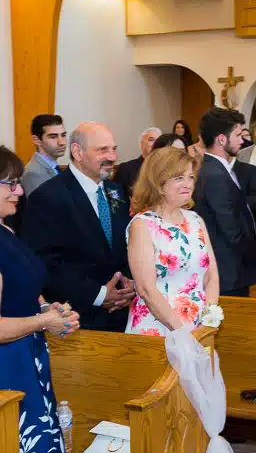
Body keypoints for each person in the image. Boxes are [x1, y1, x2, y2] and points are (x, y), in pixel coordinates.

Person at [0, 146, 79, 453]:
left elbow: (20, 292)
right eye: (10, 184)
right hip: (7, 366)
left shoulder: (5, 230)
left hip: (28, 356)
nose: (18, 191)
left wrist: (49, 308)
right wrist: (45, 320)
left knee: (43, 450)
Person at [24, 123, 136, 331]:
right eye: (103, 150)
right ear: (77, 152)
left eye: (114, 149)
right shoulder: (48, 196)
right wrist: (100, 294)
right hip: (79, 317)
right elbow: (46, 262)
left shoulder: (116, 191)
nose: (112, 157)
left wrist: (128, 284)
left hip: (122, 313)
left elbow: (123, 244)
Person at [125, 148, 219, 336]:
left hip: (199, 327)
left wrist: (209, 321)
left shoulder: (195, 220)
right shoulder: (143, 225)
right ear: (158, 184)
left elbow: (211, 277)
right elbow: (146, 289)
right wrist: (183, 332)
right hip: (160, 326)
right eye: (178, 178)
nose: (188, 184)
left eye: (190, 177)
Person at [192, 108, 256, 297]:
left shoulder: (216, 169)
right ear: (222, 139)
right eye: (238, 135)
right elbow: (232, 229)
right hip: (228, 272)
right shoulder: (214, 174)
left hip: (231, 270)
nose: (242, 140)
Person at [22, 114, 67, 197]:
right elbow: (40, 208)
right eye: (53, 137)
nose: (62, 142)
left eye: (63, 135)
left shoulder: (53, 167)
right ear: (36, 140)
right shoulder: (33, 173)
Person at [114, 127, 161, 201]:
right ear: (141, 143)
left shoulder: (166, 169)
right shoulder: (126, 169)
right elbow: (116, 200)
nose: (155, 144)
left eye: (158, 141)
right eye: (151, 140)